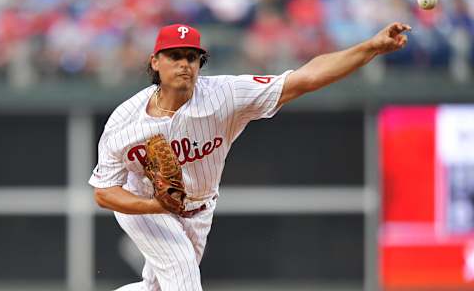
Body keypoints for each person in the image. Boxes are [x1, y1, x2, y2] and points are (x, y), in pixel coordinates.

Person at [89, 22, 410, 290]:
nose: (184, 64)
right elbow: (104, 193)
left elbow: (305, 78)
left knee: (155, 288)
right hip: (142, 202)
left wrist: (371, 47)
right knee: (182, 271)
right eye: (174, 56)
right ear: (155, 61)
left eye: (192, 57)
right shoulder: (125, 122)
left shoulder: (225, 96)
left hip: (200, 207)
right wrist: (153, 205)